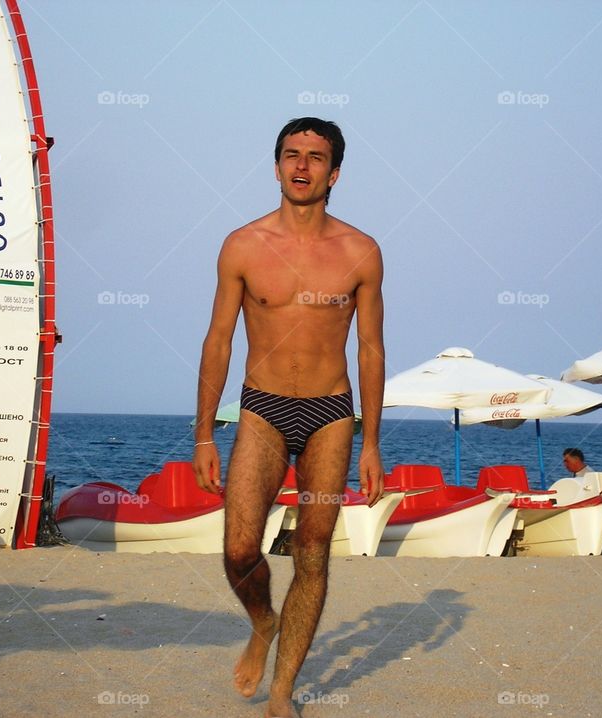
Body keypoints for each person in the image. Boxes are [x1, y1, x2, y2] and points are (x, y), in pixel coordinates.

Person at [193, 117, 385, 718]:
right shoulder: (243, 245)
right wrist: (202, 433)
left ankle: (282, 693)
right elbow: (219, 340)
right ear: (276, 166)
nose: (303, 167)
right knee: (239, 549)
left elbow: (371, 349)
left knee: (313, 550)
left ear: (335, 172)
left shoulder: (361, 252)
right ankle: (262, 621)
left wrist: (372, 441)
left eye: (317, 157)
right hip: (262, 409)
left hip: (331, 414)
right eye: (292, 155)